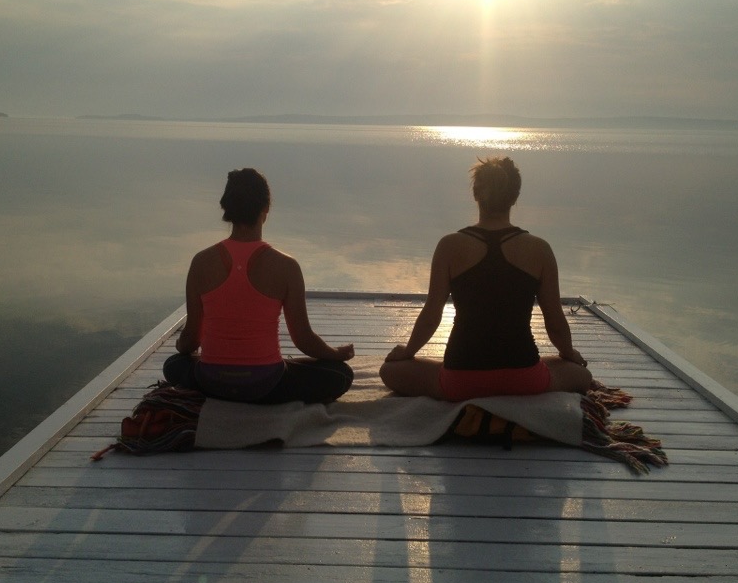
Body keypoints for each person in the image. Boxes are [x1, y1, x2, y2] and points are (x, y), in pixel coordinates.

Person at [380, 156, 592, 400]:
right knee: (580, 374)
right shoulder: (540, 249)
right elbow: (554, 321)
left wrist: (409, 351)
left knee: (390, 370)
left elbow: (431, 316)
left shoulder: (449, 246)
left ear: (476, 193)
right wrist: (569, 353)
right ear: (515, 197)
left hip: (460, 381)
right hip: (525, 379)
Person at [164, 168, 354, 404]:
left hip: (211, 383)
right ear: (266, 209)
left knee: (173, 365)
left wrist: (181, 345)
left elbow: (191, 338)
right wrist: (335, 354)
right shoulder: (287, 266)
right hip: (266, 384)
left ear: (226, 209)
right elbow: (303, 339)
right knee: (340, 375)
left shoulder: (201, 262)